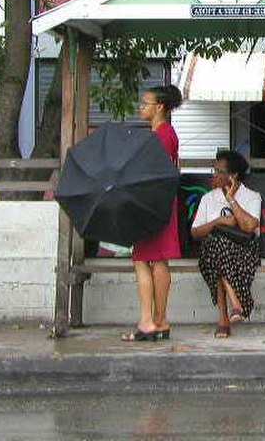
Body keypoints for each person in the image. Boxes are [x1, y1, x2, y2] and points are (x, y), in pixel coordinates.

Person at [122, 84, 183, 342]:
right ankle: (160, 319)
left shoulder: (160, 136)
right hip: (162, 202)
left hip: (150, 203)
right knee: (159, 260)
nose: (141, 107)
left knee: (141, 259)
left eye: (146, 103)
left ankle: (147, 320)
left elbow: (150, 173)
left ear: (160, 107)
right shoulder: (167, 134)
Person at [192, 150, 262, 339]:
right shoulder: (209, 198)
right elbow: (195, 233)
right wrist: (218, 223)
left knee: (219, 252)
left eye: (219, 171)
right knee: (217, 246)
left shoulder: (252, 196)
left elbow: (249, 228)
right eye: (214, 171)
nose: (214, 175)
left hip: (244, 250)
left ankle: (224, 320)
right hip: (214, 252)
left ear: (233, 176)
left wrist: (231, 199)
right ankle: (235, 302)